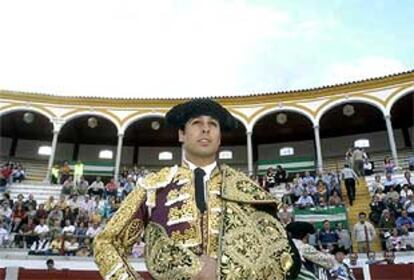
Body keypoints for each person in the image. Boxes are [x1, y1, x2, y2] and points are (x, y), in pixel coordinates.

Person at [94, 99, 301, 280]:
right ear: (181, 134)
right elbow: (107, 242)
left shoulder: (247, 190)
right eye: (196, 123)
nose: (205, 129)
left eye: (213, 124)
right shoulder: (154, 187)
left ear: (219, 138)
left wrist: (226, 271)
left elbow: (281, 255)